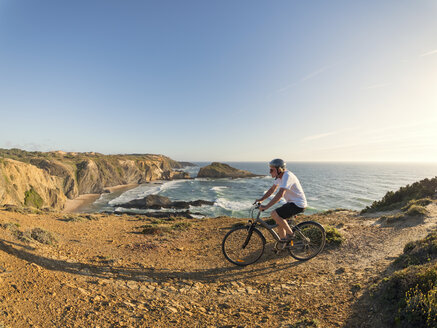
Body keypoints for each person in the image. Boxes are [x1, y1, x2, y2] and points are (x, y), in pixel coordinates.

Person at [255, 159, 307, 242]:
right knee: (279, 220)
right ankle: (283, 242)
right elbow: (272, 189)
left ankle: (291, 234)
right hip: (291, 203)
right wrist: (261, 199)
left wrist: (266, 206)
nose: (269, 172)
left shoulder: (287, 176)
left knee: (274, 213)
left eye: (271, 170)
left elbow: (280, 194)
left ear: (279, 170)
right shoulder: (279, 177)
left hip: (298, 204)